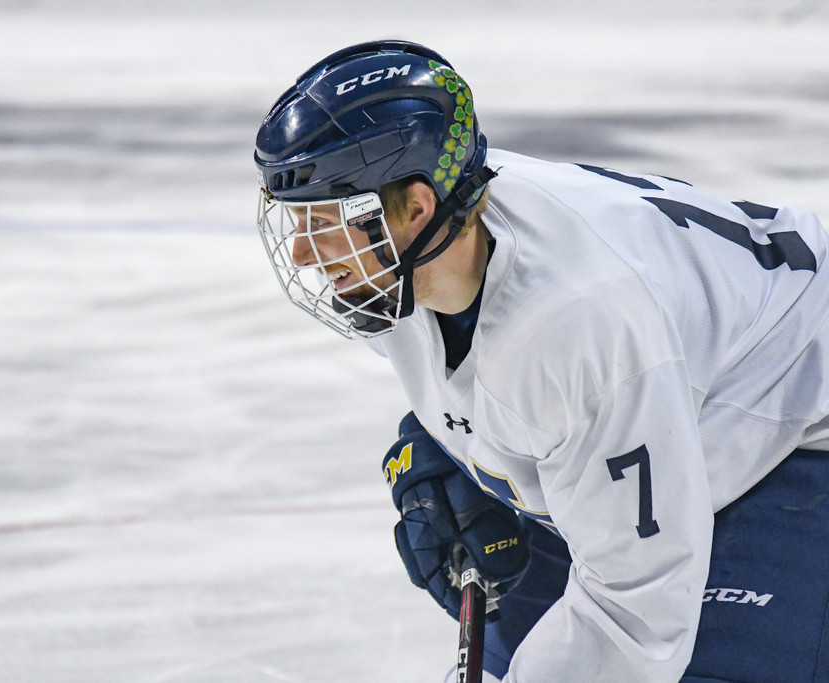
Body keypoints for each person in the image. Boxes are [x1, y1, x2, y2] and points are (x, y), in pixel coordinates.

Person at [253, 40, 829, 682]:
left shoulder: (578, 320)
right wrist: (447, 445)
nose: (304, 254)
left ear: (416, 207)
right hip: (661, 390)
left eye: (323, 221)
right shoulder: (419, 247)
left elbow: (637, 613)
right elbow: (477, 361)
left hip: (796, 420)